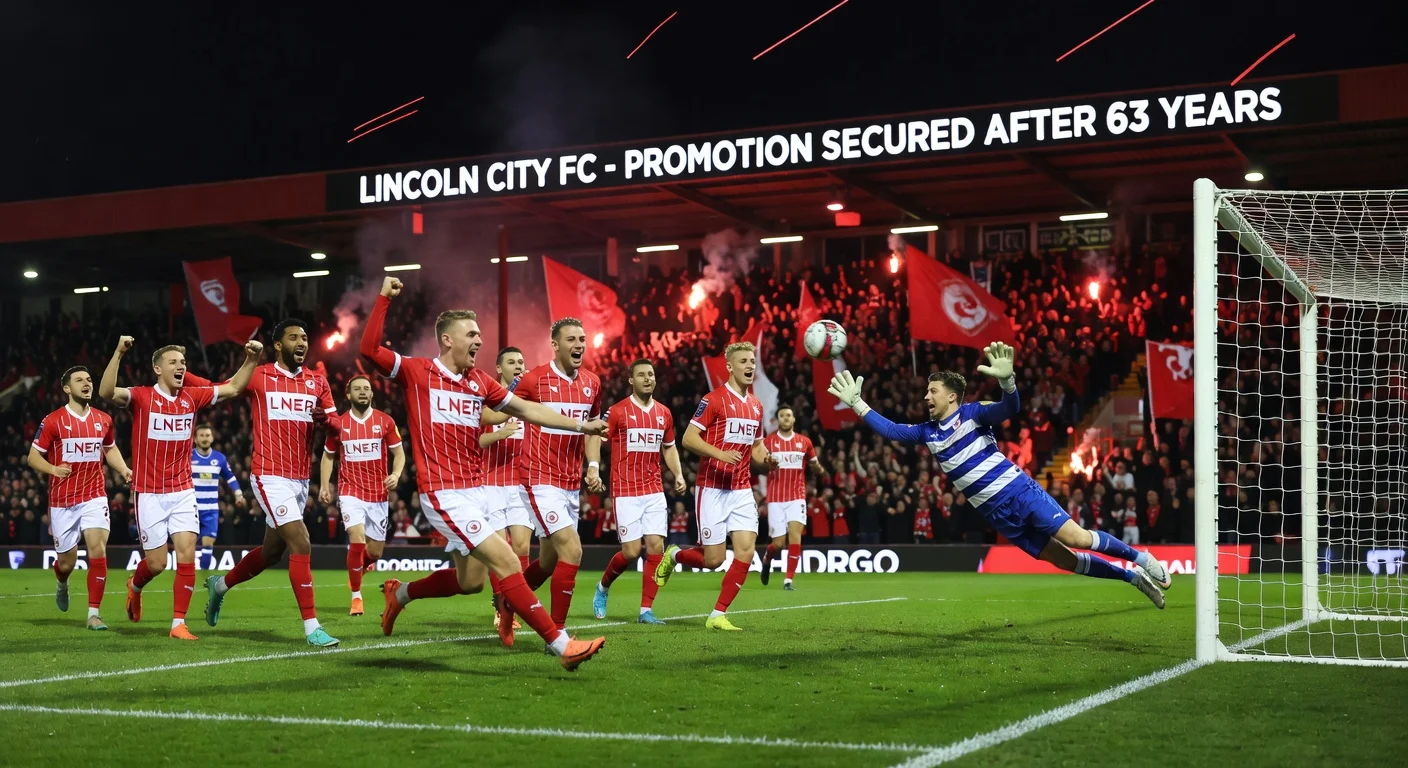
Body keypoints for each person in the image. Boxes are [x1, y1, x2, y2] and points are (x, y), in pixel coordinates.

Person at [359, 277, 607, 670]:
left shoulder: (479, 382)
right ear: (447, 340)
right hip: (442, 491)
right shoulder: (417, 372)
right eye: (471, 334)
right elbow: (369, 349)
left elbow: (528, 410)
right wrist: (383, 300)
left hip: (476, 491)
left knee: (470, 582)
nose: (478, 340)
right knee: (509, 561)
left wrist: (581, 426)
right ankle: (562, 646)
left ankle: (400, 594)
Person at [828, 342, 1171, 608]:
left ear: (951, 396)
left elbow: (1010, 409)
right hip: (996, 514)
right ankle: (1131, 578)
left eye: (932, 391)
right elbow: (891, 430)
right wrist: (859, 405)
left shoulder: (974, 415)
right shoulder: (927, 432)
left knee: (1078, 539)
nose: (925, 396)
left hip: (1018, 492)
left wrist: (1007, 382)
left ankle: (1143, 559)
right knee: (1067, 561)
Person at [98, 336, 261, 640]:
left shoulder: (192, 396)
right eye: (173, 362)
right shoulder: (143, 397)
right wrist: (119, 352)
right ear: (157, 369)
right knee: (158, 563)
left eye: (183, 362)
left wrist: (251, 359)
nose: (180, 366)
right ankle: (135, 586)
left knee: (187, 554)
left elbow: (234, 388)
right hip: (149, 493)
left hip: (183, 491)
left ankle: (178, 624)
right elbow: (106, 392)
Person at [202, 319, 341, 648]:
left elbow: (336, 425)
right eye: (294, 337)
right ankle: (312, 628)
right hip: (268, 473)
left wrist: (328, 422)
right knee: (301, 542)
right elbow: (227, 388)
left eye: (305, 337)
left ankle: (220, 585)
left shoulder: (317, 382)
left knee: (270, 553)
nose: (302, 342)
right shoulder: (261, 376)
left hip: (298, 479)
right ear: (278, 345)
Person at [656, 341, 776, 631]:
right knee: (714, 559)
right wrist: (721, 454)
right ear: (730, 366)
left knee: (746, 551)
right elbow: (688, 439)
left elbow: (756, 449)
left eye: (752, 361)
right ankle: (675, 555)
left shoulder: (756, 406)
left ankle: (717, 615)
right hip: (712, 488)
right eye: (744, 361)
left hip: (741, 489)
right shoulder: (714, 400)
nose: (750, 366)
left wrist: (766, 461)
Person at [498, 318, 603, 636]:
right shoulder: (532, 380)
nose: (579, 345)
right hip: (538, 478)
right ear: (555, 345)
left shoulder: (592, 382)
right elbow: (500, 408)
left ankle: (506, 603)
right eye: (571, 339)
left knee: (547, 561)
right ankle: (557, 635)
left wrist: (594, 466)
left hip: (570, 483)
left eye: (582, 339)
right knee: (573, 551)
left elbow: (594, 428)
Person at [28, 366, 133, 630]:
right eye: (79, 380)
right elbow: (33, 457)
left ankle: (93, 614)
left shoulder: (104, 419)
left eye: (89, 379)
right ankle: (62, 582)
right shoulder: (53, 421)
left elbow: (109, 449)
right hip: (63, 501)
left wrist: (123, 470)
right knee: (67, 562)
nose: (87, 383)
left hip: (94, 496)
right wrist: (53, 469)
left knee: (98, 549)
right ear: (66, 388)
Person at [591, 359, 687, 624]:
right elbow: (595, 438)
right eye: (642, 375)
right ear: (631, 380)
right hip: (625, 490)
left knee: (656, 546)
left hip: (654, 490)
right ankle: (603, 587)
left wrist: (678, 474)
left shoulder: (664, 413)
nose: (648, 378)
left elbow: (669, 447)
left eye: (651, 374)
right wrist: (593, 468)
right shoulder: (618, 411)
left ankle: (646, 610)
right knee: (632, 552)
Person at [318, 374, 405, 616]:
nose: (363, 392)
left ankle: (359, 567)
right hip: (350, 491)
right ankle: (356, 597)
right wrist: (325, 485)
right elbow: (328, 456)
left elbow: (399, 454)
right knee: (356, 540)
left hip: (378, 493)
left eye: (366, 388)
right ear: (348, 395)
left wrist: (396, 475)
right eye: (357, 389)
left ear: (372, 393)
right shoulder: (338, 424)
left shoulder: (385, 421)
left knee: (375, 552)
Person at [478, 346, 530, 634]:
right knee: (501, 550)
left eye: (521, 361)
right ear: (499, 369)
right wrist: (500, 433)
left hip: (521, 485)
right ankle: (501, 608)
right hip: (491, 484)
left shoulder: (528, 402)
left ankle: (516, 604)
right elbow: (476, 444)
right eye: (511, 362)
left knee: (521, 547)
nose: (518, 365)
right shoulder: (487, 401)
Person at [759, 404, 824, 591]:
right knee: (778, 544)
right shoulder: (768, 443)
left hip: (797, 497)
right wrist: (765, 464)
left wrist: (819, 469)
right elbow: (759, 466)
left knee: (795, 537)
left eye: (789, 415)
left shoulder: (804, 442)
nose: (786, 418)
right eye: (782, 415)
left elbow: (814, 464)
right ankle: (767, 559)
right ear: (777, 420)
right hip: (776, 499)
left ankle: (788, 581)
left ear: (794, 419)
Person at [192, 424, 244, 570]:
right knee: (188, 548)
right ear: (195, 439)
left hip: (210, 510)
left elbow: (230, 477)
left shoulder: (219, 458)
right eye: (201, 435)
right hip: (190, 510)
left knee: (208, 546)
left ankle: (204, 579)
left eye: (207, 435)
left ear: (212, 438)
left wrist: (238, 493)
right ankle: (187, 581)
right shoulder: (187, 458)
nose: (205, 438)